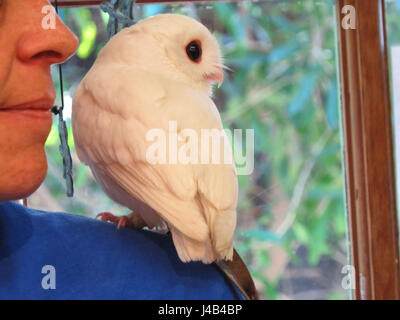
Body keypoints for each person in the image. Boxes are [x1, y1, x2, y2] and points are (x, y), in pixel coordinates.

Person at [0, 0, 241, 299]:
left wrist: (167, 218)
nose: (58, 40)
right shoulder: (106, 90)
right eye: (194, 52)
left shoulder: (101, 88)